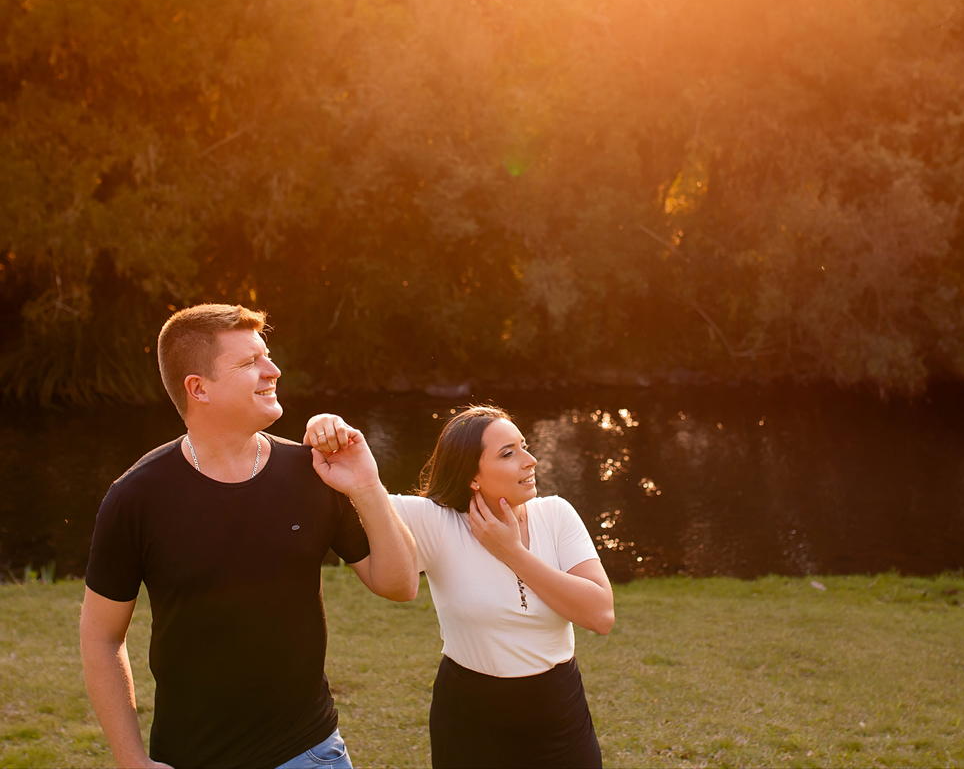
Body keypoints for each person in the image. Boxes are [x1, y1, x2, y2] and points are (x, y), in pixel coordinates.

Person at [79, 304, 419, 769]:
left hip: (311, 753)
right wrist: (131, 760)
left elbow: (400, 585)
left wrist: (366, 484)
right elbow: (101, 638)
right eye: (249, 362)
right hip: (191, 758)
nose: (273, 371)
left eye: (267, 356)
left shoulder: (312, 472)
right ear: (198, 388)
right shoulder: (135, 497)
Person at [306, 406, 614, 768]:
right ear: (472, 476)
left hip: (559, 713)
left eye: (524, 446)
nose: (530, 461)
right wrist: (321, 425)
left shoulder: (557, 515)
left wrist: (512, 552)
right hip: (469, 719)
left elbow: (600, 615)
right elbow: (354, 491)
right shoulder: (435, 522)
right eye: (508, 453)